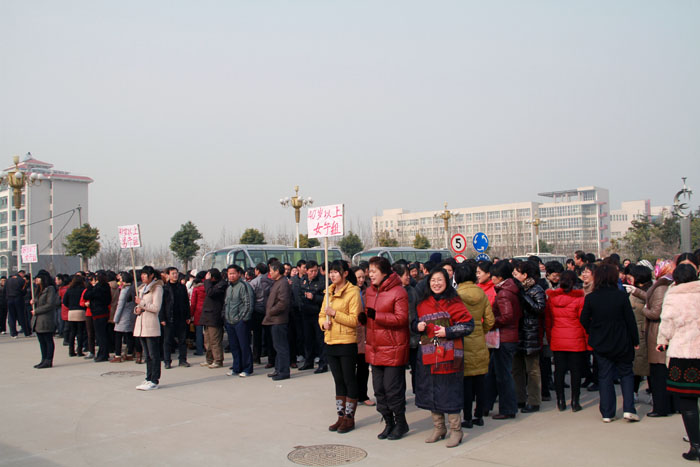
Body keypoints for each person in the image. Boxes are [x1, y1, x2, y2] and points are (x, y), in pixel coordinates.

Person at [414, 268, 474, 448]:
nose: (436, 284)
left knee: (449, 392)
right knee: (431, 390)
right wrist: (417, 326)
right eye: (433, 280)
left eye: (440, 280)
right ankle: (439, 427)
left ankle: (456, 430)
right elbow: (413, 323)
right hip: (429, 355)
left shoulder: (454, 302)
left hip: (449, 357)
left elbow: (468, 325)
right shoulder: (422, 303)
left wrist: (447, 331)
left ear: (447, 282)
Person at [580, 263, 639, 423]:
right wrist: (635, 339)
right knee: (626, 374)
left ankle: (607, 412)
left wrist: (593, 331)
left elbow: (583, 319)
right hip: (622, 340)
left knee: (604, 375)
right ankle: (629, 409)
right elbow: (630, 320)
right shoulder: (621, 296)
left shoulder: (591, 297)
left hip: (601, 341)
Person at [656, 264, 700, 460]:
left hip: (683, 354)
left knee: (687, 403)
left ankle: (696, 446)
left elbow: (667, 323)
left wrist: (662, 341)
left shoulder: (673, 296)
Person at [364, 256, 410, 440]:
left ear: (384, 272)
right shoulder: (369, 291)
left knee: (393, 390)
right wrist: (364, 319)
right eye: (369, 271)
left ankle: (401, 423)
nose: (370, 275)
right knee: (379, 391)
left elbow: (401, 319)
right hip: (375, 348)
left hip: (393, 348)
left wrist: (377, 316)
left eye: (373, 271)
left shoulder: (398, 292)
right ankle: (388, 422)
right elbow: (370, 318)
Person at [319, 260, 362, 433]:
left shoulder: (353, 292)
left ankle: (349, 418)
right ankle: (340, 416)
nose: (332, 275)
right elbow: (321, 314)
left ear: (345, 273)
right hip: (330, 340)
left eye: (336, 272)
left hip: (346, 342)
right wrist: (323, 324)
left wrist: (335, 314)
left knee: (349, 379)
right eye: (330, 272)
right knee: (338, 380)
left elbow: (354, 320)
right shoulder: (328, 292)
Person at [629, 259, 674, 418]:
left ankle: (661, 406)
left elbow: (656, 312)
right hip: (649, 333)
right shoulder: (661, 285)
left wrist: (644, 310)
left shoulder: (660, 287)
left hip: (653, 334)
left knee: (657, 373)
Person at [455, 263, 494, 429]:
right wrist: (480, 330)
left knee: (466, 383)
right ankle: (479, 415)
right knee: (480, 381)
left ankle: (468, 418)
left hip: (462, 340)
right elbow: (490, 320)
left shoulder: (457, 295)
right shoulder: (481, 293)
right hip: (479, 340)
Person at [545, 270, 586, 412]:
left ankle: (560, 401)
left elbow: (548, 321)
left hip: (558, 336)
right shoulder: (580, 299)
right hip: (575, 337)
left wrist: (550, 337)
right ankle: (575, 401)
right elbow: (583, 321)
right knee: (575, 371)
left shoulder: (552, 298)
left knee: (559, 371)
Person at [487, 261, 522, 420]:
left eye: (493, 275)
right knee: (495, 372)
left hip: (504, 337)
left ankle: (508, 408)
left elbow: (507, 316)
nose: (491, 278)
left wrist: (492, 322)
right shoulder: (512, 289)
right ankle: (486, 406)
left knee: (503, 376)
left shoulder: (504, 293)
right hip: (509, 336)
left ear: (499, 277)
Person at [512, 260, 546, 413]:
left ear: (525, 275)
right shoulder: (516, 289)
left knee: (532, 369)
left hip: (531, 333)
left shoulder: (536, 289)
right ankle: (519, 398)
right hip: (518, 332)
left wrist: (523, 296)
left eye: (516, 273)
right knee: (517, 368)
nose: (514, 276)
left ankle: (534, 400)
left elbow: (539, 308)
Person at [133, 266, 163, 390]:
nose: (143, 276)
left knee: (153, 354)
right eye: (142, 274)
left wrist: (142, 303)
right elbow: (139, 306)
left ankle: (154, 380)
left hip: (151, 325)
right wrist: (137, 309)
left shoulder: (157, 288)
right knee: (147, 355)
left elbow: (156, 307)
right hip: (141, 325)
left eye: (145, 274)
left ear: (152, 275)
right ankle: (148, 377)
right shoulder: (141, 288)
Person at [625, 265, 652, 400]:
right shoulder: (633, 290)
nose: (629, 277)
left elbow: (651, 301)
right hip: (635, 333)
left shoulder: (649, 291)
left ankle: (652, 393)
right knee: (636, 365)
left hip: (644, 332)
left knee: (647, 366)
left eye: (632, 275)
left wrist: (636, 292)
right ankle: (634, 392)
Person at [223, 265, 254, 377]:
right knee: (234, 346)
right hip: (230, 321)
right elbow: (226, 304)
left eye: (233, 273)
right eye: (229, 274)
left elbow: (248, 303)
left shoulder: (244, 286)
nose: (231, 276)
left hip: (240, 321)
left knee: (244, 345)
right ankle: (236, 367)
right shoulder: (229, 288)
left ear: (239, 274)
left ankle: (247, 368)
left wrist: (243, 318)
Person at [263, 261, 291, 381]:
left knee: (281, 347)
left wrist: (271, 311)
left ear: (277, 271)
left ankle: (284, 371)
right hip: (273, 319)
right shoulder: (277, 282)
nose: (270, 273)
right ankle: (278, 369)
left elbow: (282, 303)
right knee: (277, 346)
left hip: (278, 320)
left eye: (271, 271)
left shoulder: (283, 283)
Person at [299, 260, 327, 373]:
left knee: (320, 340)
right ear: (306, 271)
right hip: (306, 314)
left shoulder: (322, 281)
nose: (314, 273)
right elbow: (299, 294)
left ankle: (323, 363)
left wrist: (314, 297)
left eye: (316, 271)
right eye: (311, 271)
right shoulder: (303, 280)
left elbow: (326, 299)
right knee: (308, 339)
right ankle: (308, 361)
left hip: (317, 314)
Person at [162, 267, 191, 369]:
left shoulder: (182, 287)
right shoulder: (165, 288)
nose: (175, 275)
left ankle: (182, 360)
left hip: (181, 317)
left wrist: (188, 316)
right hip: (169, 318)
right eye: (173, 273)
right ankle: (167, 361)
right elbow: (162, 304)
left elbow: (186, 302)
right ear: (168, 275)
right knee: (168, 341)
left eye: (176, 273)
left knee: (182, 340)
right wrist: (162, 318)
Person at [199, 268, 227, 369]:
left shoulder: (222, 284)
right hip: (207, 316)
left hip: (215, 316)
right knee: (207, 340)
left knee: (215, 340)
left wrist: (207, 281)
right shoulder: (211, 285)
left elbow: (210, 293)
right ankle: (209, 359)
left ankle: (218, 360)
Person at [30, 272, 59, 369]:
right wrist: (34, 301)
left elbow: (49, 304)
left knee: (47, 340)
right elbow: (39, 301)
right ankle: (43, 359)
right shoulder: (39, 289)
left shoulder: (50, 289)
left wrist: (37, 311)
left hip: (46, 319)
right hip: (38, 320)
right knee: (41, 341)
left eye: (38, 278)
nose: (36, 280)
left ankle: (48, 360)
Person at [83, 272, 113, 362]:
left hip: (98, 313)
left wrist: (90, 287)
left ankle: (103, 354)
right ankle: (104, 353)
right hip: (104, 311)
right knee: (103, 334)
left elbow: (86, 295)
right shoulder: (106, 287)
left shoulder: (98, 288)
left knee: (100, 335)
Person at [111, 272, 136, 362]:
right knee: (129, 335)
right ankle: (129, 353)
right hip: (130, 315)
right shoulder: (133, 288)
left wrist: (116, 318)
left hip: (123, 316)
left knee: (118, 336)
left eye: (121, 278)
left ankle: (118, 355)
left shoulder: (124, 290)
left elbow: (120, 305)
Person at [63, 275, 87, 357]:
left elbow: (64, 301)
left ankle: (71, 350)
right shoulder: (83, 290)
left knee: (72, 332)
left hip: (71, 312)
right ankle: (79, 350)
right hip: (81, 311)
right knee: (80, 332)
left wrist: (70, 306)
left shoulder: (69, 290)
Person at [189, 271, 207, 356]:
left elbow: (193, 302)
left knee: (198, 333)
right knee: (208, 332)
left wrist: (191, 314)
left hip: (198, 312)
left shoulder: (196, 288)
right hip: (208, 311)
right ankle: (208, 349)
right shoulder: (208, 286)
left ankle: (199, 350)